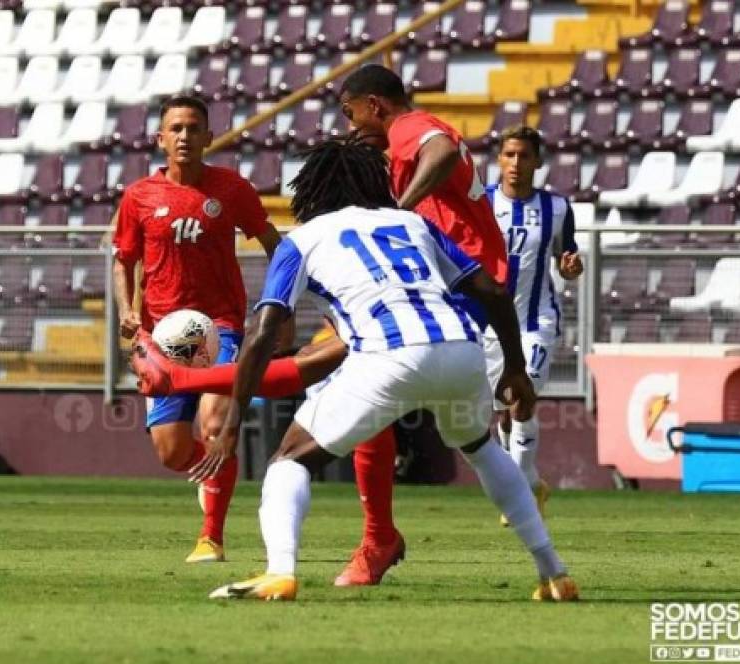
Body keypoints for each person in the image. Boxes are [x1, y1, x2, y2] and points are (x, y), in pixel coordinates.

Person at [133, 64, 526, 588]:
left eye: (350, 114)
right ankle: (387, 536)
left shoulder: (406, 128)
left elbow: (443, 150)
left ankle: (367, 540)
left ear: (375, 106)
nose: (350, 128)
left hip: (448, 286)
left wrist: (394, 213)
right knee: (348, 381)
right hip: (440, 286)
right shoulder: (396, 157)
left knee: (326, 369)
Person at [194, 138, 578, 602]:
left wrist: (233, 417)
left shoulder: (301, 240)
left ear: (313, 190)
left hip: (389, 355)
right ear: (375, 181)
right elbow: (493, 292)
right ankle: (553, 571)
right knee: (482, 448)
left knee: (290, 460)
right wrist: (514, 369)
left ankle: (280, 571)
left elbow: (261, 332)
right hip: (460, 348)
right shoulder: (412, 222)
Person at [112, 95, 289, 564]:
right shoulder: (139, 197)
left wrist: (282, 305)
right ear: (160, 138)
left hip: (220, 328)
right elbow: (123, 260)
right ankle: (216, 477)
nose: (185, 136)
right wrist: (126, 311)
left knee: (214, 423)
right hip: (160, 336)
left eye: (194, 128)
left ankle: (211, 536)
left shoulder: (231, 189)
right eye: (176, 128)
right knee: (171, 452)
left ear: (208, 137)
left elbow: (277, 244)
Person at [486, 126, 584, 524]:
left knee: (521, 395)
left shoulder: (557, 208)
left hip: (536, 320)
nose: (515, 164)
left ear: (538, 162)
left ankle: (522, 486)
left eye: (524, 156)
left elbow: (568, 258)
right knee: (503, 413)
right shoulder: (482, 203)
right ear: (499, 159)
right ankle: (530, 482)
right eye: (509, 155)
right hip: (488, 326)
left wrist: (571, 267)